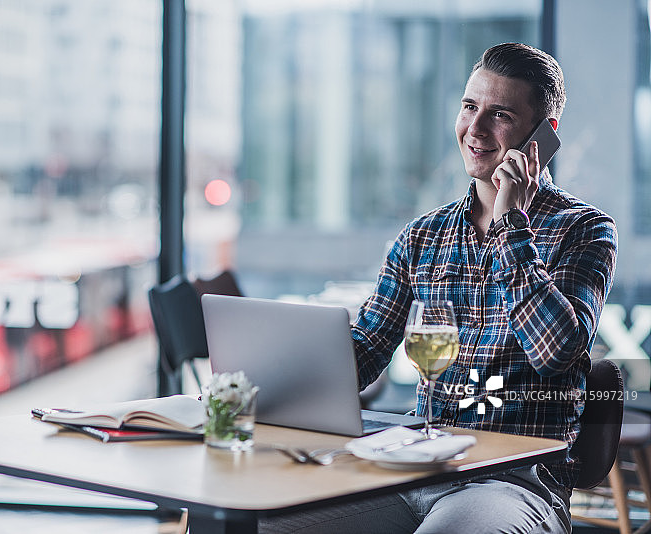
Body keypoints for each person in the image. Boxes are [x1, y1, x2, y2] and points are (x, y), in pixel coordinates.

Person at [260, 42, 618, 533]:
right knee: (268, 523)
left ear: (543, 135)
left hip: (514, 483)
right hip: (412, 468)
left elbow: (554, 351)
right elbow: (366, 351)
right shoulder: (423, 235)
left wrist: (512, 224)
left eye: (501, 115)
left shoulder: (585, 230)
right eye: (470, 106)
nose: (475, 129)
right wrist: (267, 380)